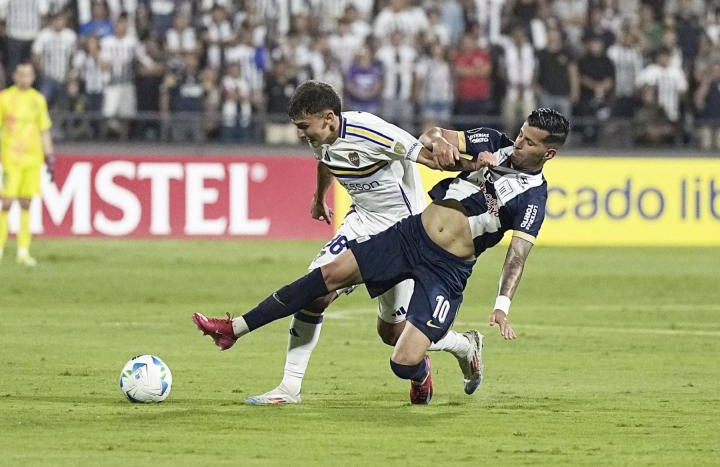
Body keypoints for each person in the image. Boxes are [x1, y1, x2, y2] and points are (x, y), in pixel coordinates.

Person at [194, 107, 570, 404]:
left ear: (548, 152)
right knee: (324, 280)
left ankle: (464, 347)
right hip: (410, 235)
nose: (518, 143)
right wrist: (442, 143)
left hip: (447, 270)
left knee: (401, 359)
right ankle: (235, 328)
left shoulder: (532, 198)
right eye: (520, 134)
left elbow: (517, 255)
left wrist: (502, 306)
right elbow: (430, 136)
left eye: (529, 142)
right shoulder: (492, 141)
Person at [243, 80, 483, 405]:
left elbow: (429, 158)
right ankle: (289, 387)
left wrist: (475, 167)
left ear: (329, 117)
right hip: (362, 223)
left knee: (394, 335)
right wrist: (318, 198)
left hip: (402, 236)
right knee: (315, 293)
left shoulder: (371, 131)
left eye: (304, 127)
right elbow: (326, 159)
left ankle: (464, 346)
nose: (301, 134)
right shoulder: (320, 134)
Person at [0, 62, 55, 267]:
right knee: (6, 202)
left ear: (33, 77)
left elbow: (44, 129)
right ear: (15, 76)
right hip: (11, 158)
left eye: (29, 75)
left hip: (33, 158)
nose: (25, 78)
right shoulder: (3, 98)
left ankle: (23, 251)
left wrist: (50, 157)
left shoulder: (38, 100)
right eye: (22, 74)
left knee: (26, 203)